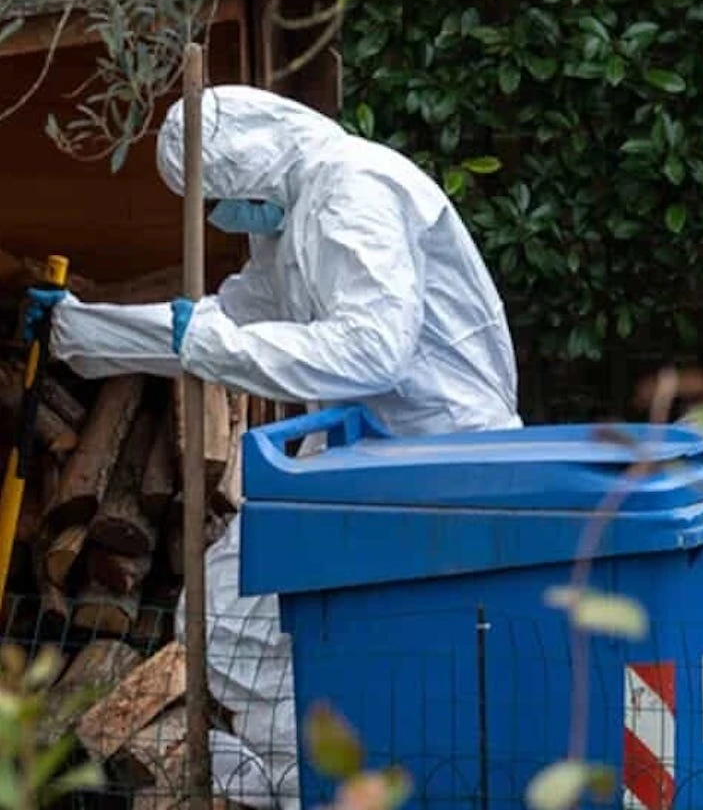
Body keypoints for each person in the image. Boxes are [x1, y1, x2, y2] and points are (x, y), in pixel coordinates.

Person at [26, 85, 521, 809]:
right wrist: (84, 329)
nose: (219, 216)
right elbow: (218, 319)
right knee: (233, 612)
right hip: (369, 460)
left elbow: (372, 350)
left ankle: (325, 785)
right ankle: (311, 784)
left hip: (438, 463)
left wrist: (210, 338)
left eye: (217, 195)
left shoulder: (352, 193)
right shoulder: (291, 217)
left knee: (272, 622)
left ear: (247, 164)